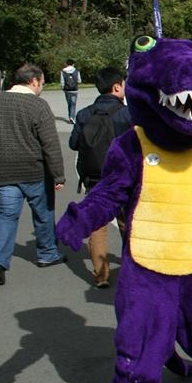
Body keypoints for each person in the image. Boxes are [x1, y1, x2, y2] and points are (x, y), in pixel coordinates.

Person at [0, 63, 66, 286]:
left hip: (3, 170)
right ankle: (47, 254)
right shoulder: (37, 105)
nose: (42, 87)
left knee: (6, 216)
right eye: (43, 83)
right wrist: (58, 175)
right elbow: (50, 145)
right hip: (34, 169)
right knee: (43, 213)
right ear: (34, 81)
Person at [69, 66, 131, 288]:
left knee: (98, 227)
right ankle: (132, 269)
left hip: (94, 178)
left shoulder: (85, 113)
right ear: (117, 86)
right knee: (128, 223)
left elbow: (73, 143)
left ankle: (101, 275)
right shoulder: (127, 114)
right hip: (124, 178)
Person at [60, 58, 81, 123]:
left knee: (69, 103)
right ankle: (72, 117)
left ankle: (70, 116)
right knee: (73, 104)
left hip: (67, 90)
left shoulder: (63, 71)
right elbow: (79, 81)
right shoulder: (76, 71)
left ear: (66, 64)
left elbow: (62, 81)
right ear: (73, 64)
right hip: (74, 89)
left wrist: (63, 88)